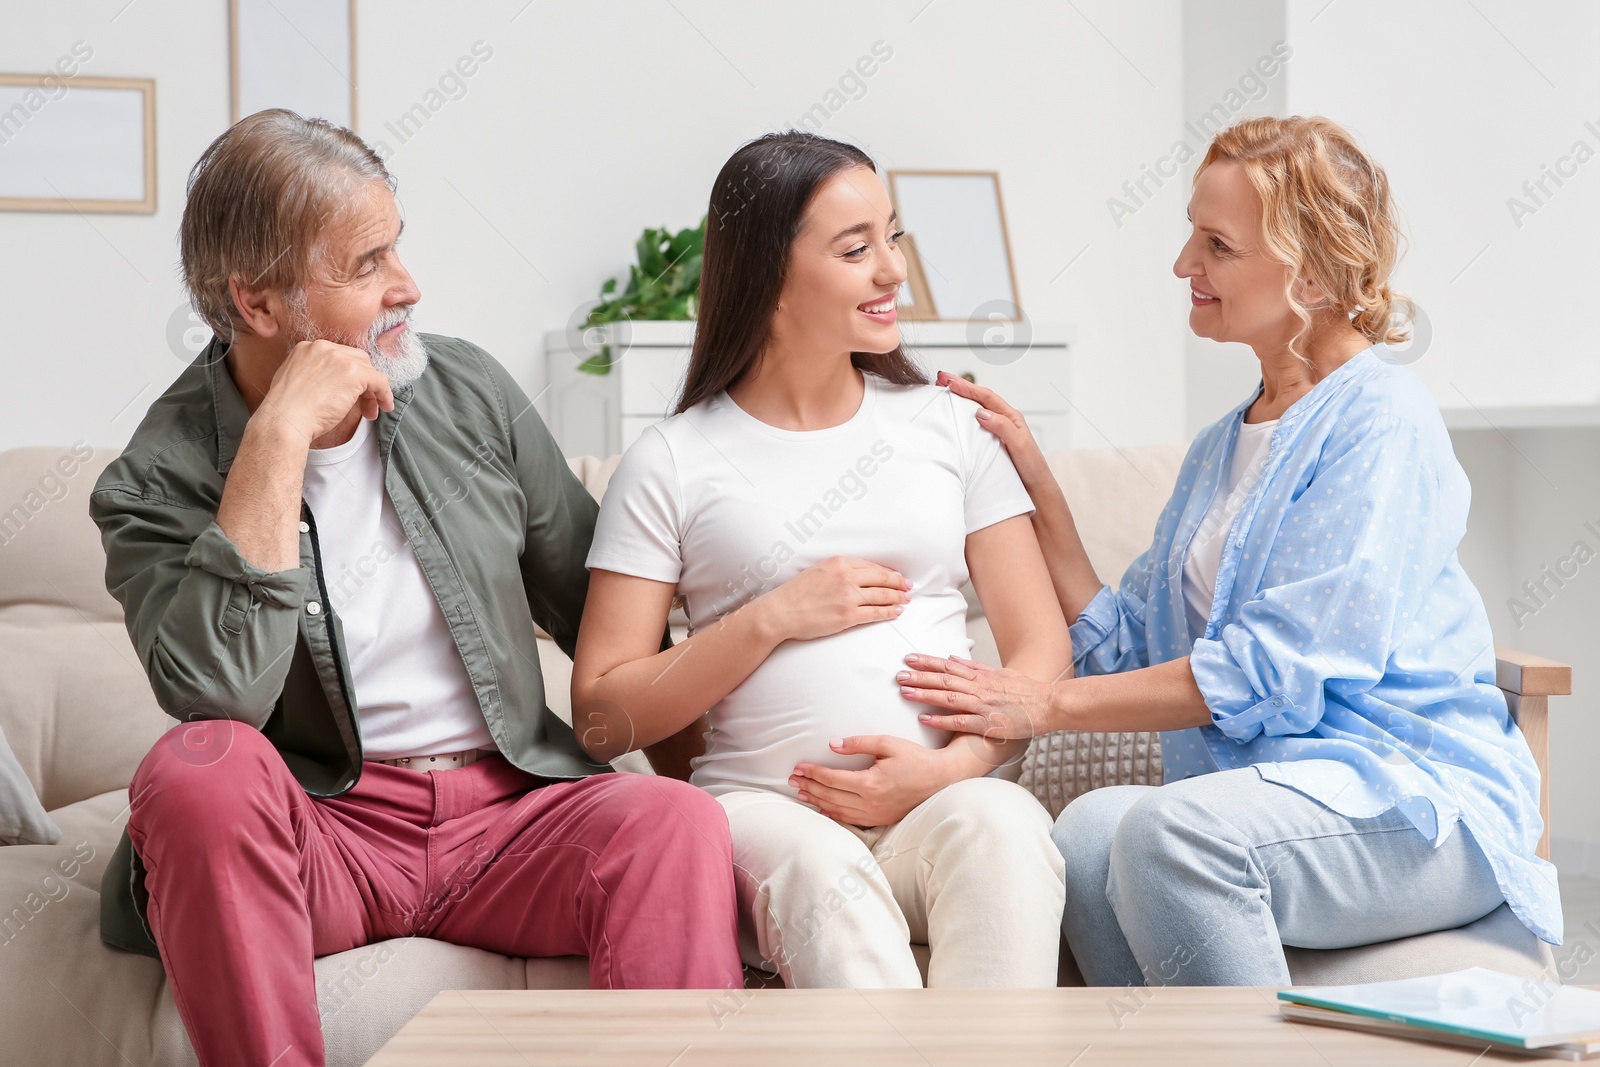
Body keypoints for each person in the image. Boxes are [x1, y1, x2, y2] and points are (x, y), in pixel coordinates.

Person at [90, 110, 742, 1067]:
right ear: (258, 304)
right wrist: (274, 440)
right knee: (198, 772)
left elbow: (611, 614)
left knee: (669, 821)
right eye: (366, 265)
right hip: (324, 832)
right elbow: (217, 695)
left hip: (508, 816)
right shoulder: (154, 477)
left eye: (398, 246)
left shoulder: (469, 390)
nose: (408, 286)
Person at [899, 115, 1561, 986]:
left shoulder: (1381, 422)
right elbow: (1139, 650)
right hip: (1276, 797)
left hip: (1410, 800)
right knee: (1092, 832)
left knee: (1175, 835)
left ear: (1313, 271)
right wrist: (1042, 492)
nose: (1184, 266)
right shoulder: (1223, 445)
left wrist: (1041, 704)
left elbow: (1271, 670)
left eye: (1216, 245)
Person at [571, 131, 1070, 989]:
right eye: (856, 248)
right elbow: (601, 716)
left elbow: (1040, 649)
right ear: (769, 276)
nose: (893, 271)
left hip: (937, 800)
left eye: (892, 236)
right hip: (766, 815)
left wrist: (951, 767)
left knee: (1005, 826)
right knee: (817, 871)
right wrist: (772, 617)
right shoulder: (673, 460)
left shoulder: (948, 427)